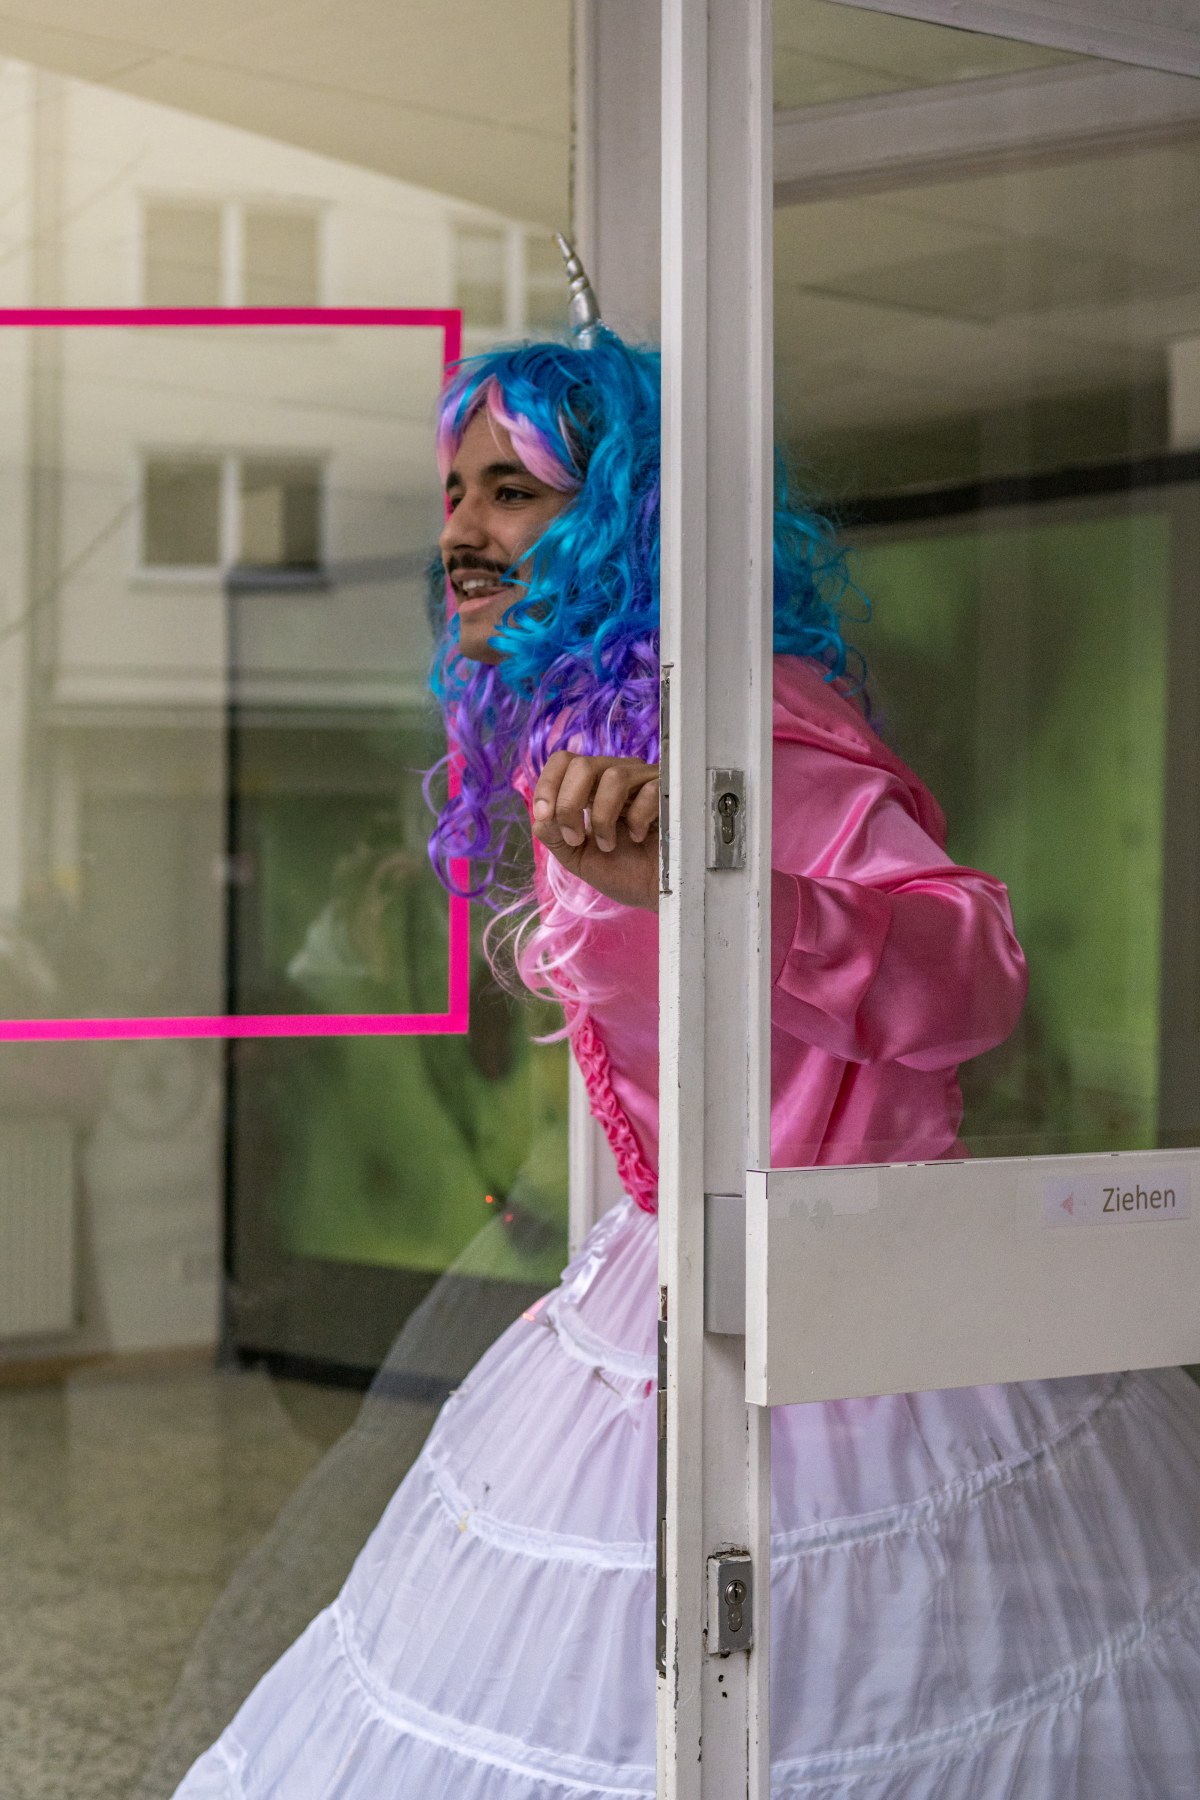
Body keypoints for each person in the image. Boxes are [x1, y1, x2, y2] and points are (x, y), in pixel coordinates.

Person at [173, 271, 1200, 1798]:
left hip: (856, 1322)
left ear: (621, 528)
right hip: (682, 1281)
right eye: (453, 493)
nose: (457, 531)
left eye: (510, 493)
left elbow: (971, 975)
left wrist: (721, 885)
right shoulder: (607, 733)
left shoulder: (752, 726)